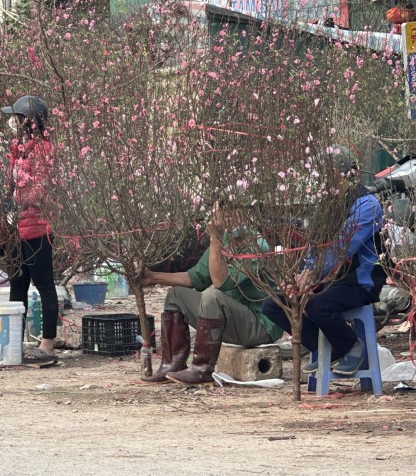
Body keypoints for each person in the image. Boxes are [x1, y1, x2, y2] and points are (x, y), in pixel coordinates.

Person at [261, 145, 385, 376]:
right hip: (325, 279)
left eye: (331, 176)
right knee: (274, 305)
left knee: (314, 304)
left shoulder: (368, 206)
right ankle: (324, 346)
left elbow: (342, 249)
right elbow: (314, 247)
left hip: (358, 282)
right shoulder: (325, 207)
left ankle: (352, 345)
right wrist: (303, 275)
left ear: (347, 174)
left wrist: (312, 276)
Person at [140, 204, 282, 385]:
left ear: (245, 215)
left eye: (229, 213)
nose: (222, 219)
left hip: (259, 326)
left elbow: (220, 282)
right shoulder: (226, 242)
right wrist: (153, 277)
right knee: (176, 296)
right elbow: (195, 277)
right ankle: (172, 365)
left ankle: (202, 370)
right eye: (219, 213)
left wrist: (215, 238)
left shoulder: (257, 246)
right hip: (231, 320)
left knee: (212, 296)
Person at [1, 95, 58, 361]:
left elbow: (41, 189)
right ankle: (15, 342)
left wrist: (18, 201)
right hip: (15, 229)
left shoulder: (43, 150)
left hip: (37, 227)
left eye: (18, 117)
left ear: (30, 122)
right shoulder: (18, 150)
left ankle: (47, 343)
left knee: (44, 284)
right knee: (17, 286)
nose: (13, 122)